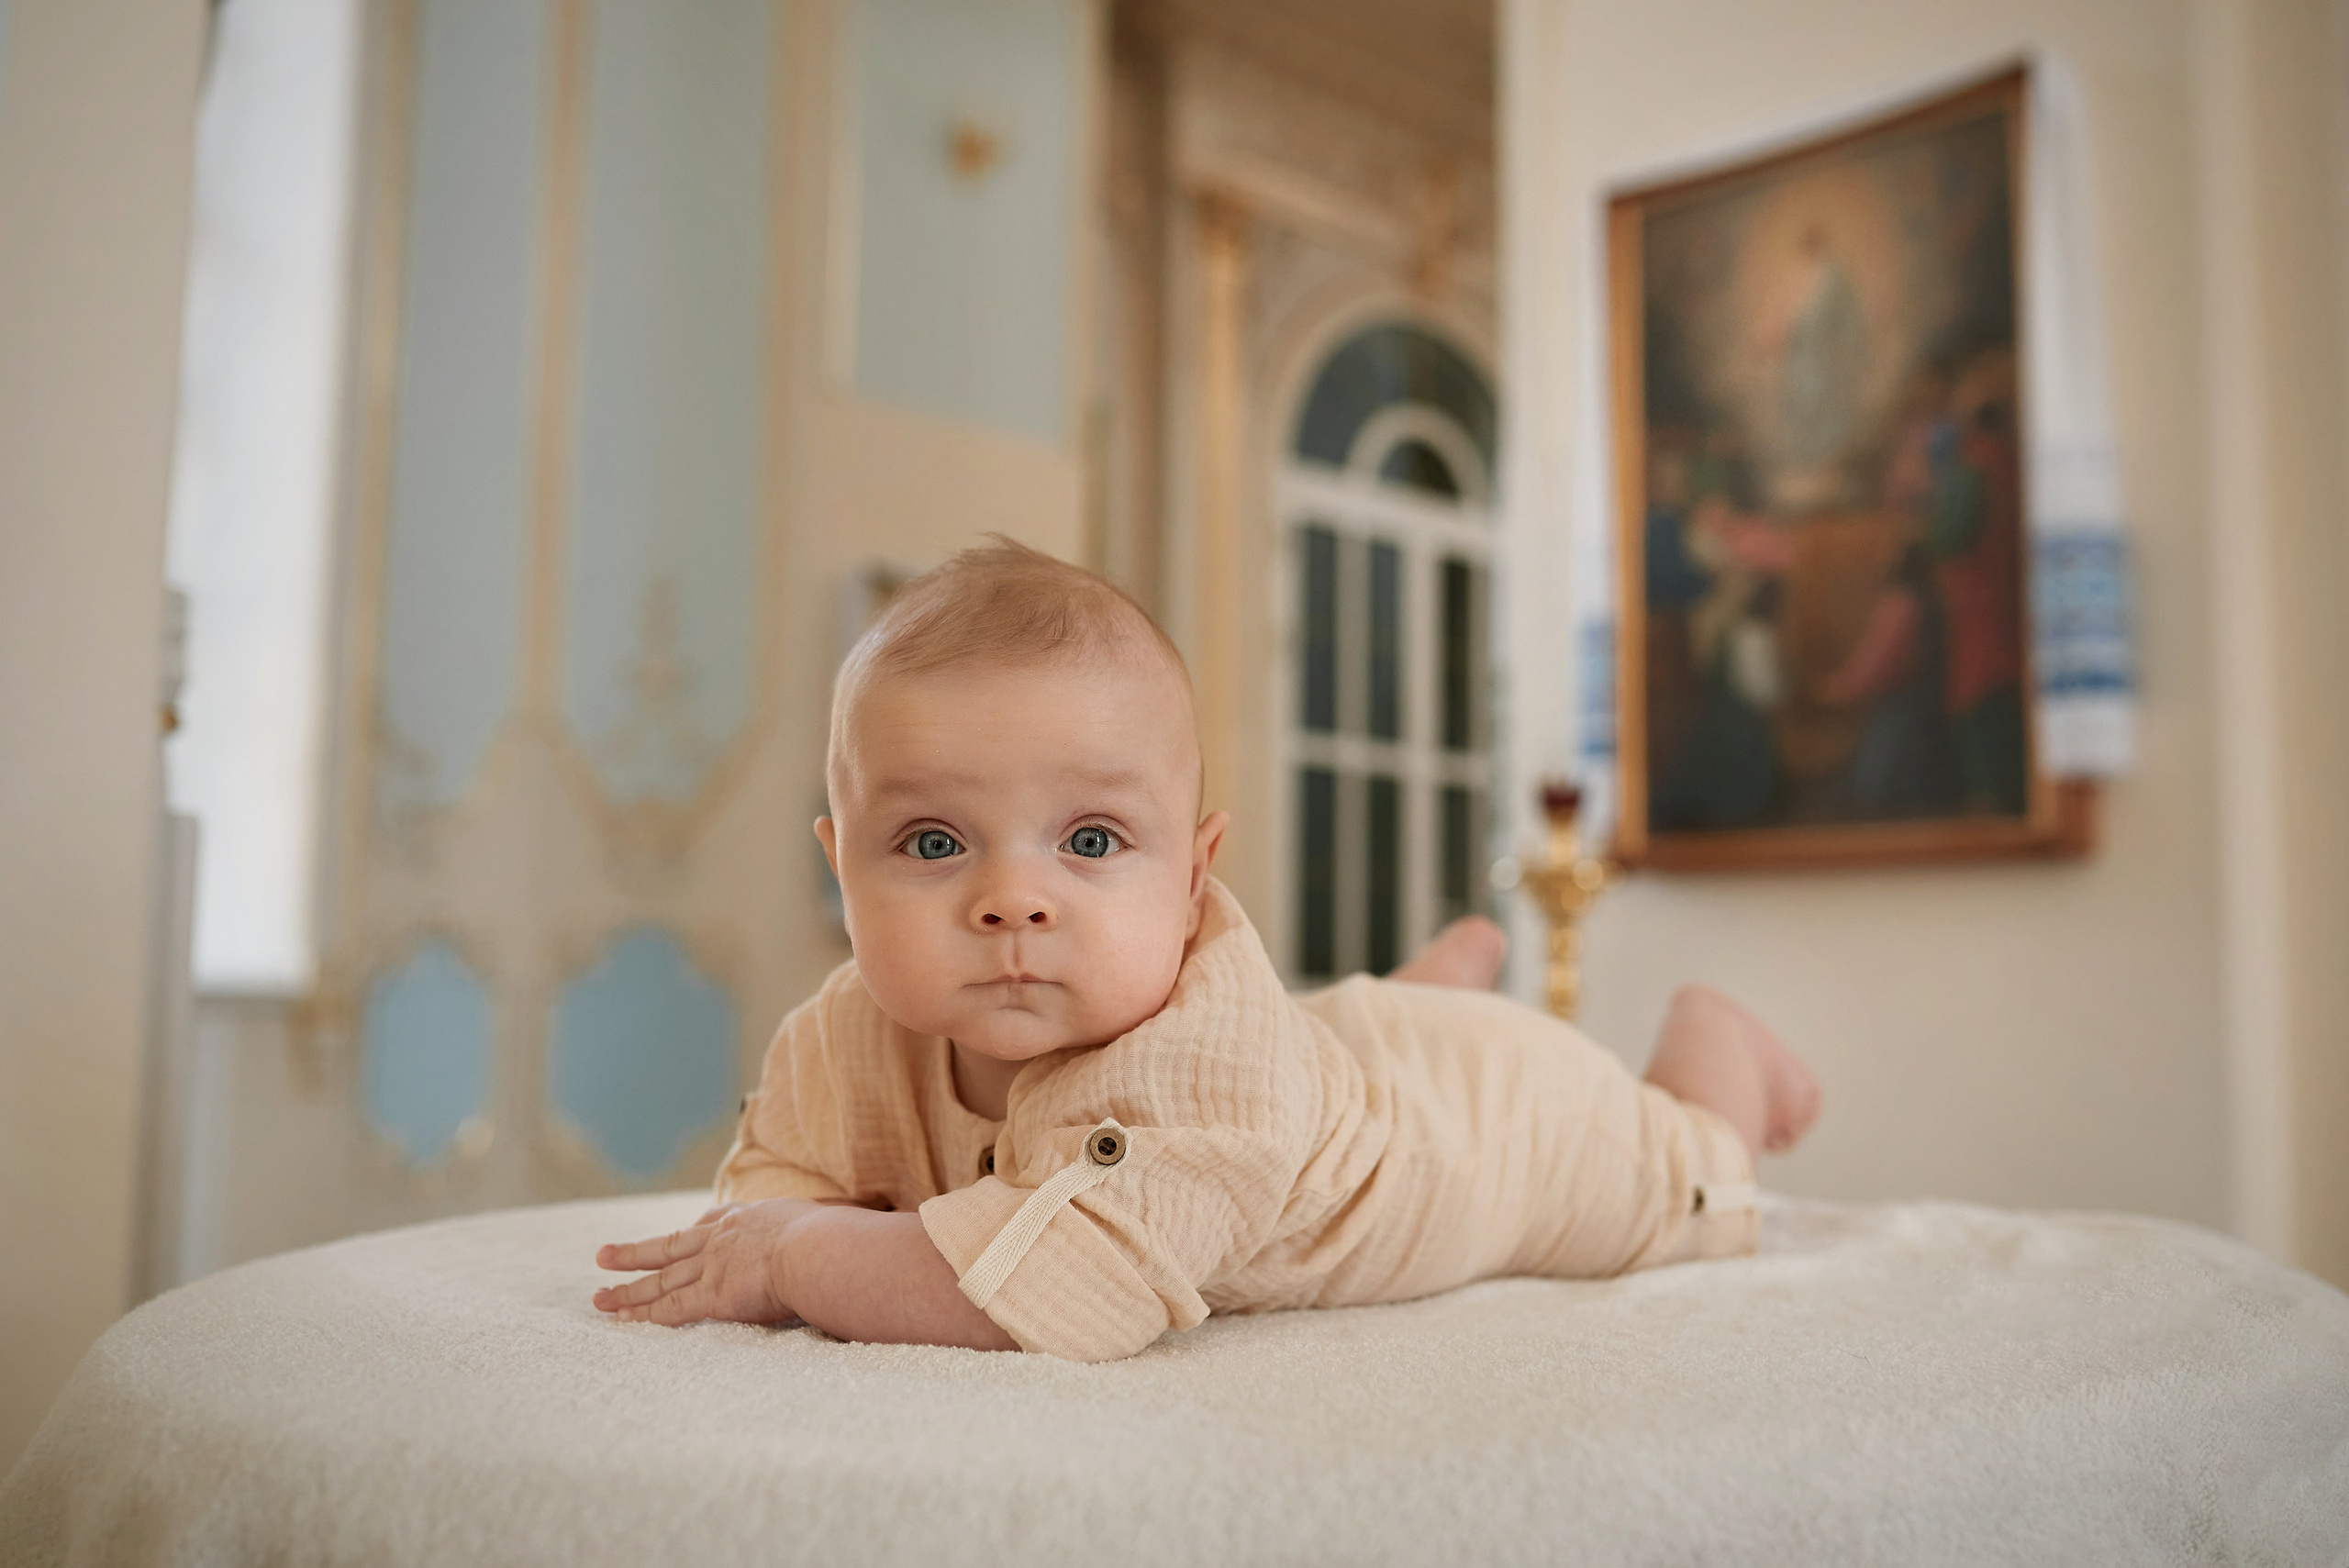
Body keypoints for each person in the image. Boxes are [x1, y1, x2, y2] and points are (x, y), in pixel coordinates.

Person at [592, 540, 1822, 1362]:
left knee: (1689, 1177)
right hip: (1314, 1078)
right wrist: (778, 1231)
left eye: (1089, 837)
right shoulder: (842, 1031)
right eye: (929, 840)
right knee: (1328, 1058)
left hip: (1484, 1126)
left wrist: (807, 1255)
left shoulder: (1199, 1067)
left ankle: (1716, 1044)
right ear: (839, 866)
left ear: (1192, 880)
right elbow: (761, 1204)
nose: (1012, 899)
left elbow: (1059, 1290)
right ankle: (1390, 1006)